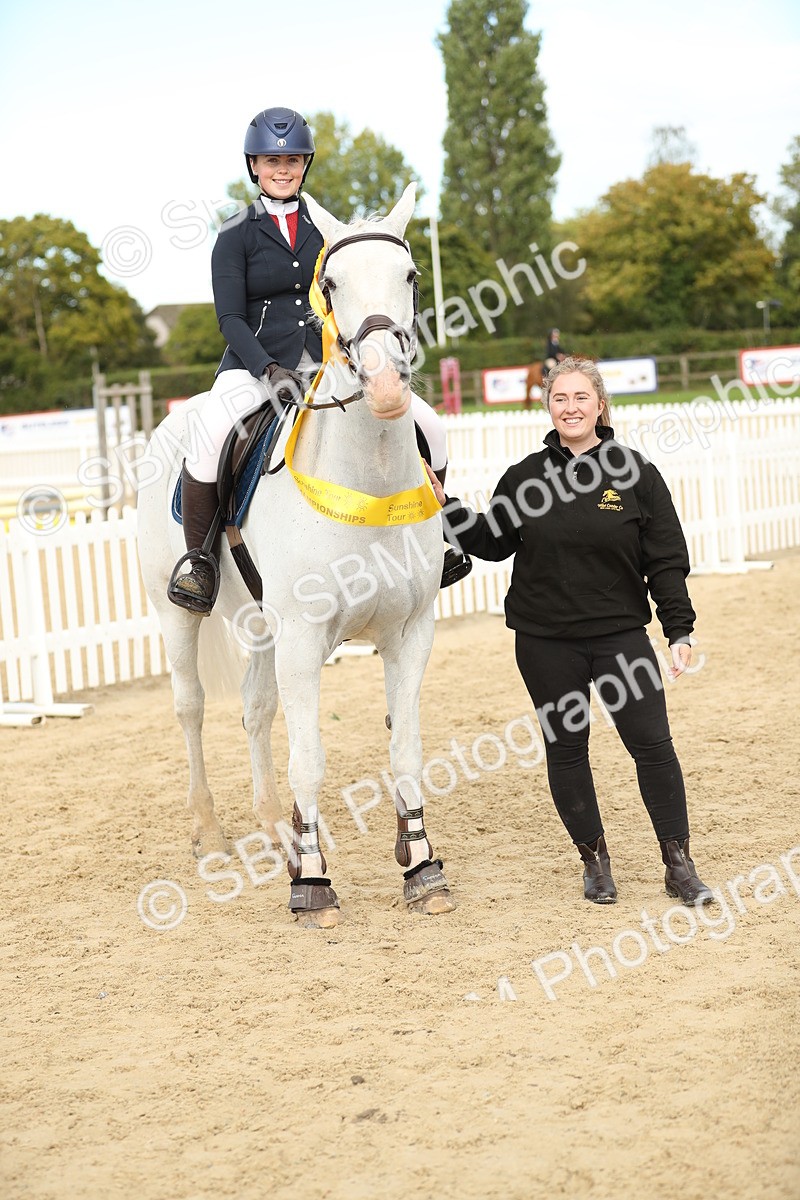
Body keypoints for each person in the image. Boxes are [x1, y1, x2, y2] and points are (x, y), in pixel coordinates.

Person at [426, 357, 714, 907]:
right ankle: (595, 862)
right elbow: (492, 542)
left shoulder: (636, 472)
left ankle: (679, 865)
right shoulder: (525, 477)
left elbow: (666, 560)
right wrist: (446, 507)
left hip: (621, 638)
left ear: (600, 405)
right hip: (545, 640)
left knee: (653, 748)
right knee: (567, 750)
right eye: (561, 399)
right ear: (549, 408)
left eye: (582, 397)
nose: (571, 407)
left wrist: (679, 630)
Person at [170, 106, 461, 614]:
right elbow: (230, 319)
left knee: (431, 426)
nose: (283, 169)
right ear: (254, 166)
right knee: (212, 431)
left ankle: (436, 534)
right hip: (253, 366)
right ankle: (199, 561)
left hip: (327, 365)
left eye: (293, 160)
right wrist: (266, 368)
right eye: (271, 160)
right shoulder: (235, 232)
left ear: (305, 164)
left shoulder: (329, 228)